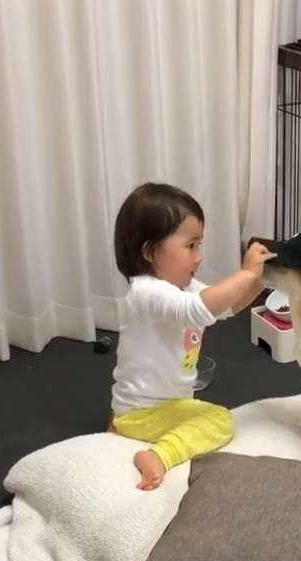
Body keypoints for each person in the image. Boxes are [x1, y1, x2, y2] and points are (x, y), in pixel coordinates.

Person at [110, 182, 274, 490]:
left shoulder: (183, 287)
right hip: (143, 411)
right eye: (191, 246)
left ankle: (127, 427)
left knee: (213, 416)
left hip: (168, 403)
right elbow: (198, 310)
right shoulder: (146, 291)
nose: (198, 257)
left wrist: (259, 281)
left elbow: (225, 308)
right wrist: (246, 274)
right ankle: (158, 455)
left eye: (199, 245)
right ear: (150, 252)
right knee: (221, 421)